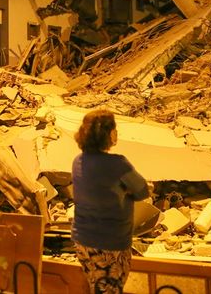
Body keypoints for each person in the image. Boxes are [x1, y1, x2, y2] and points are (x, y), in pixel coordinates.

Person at [71, 109, 149, 293]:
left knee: (96, 288)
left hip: (83, 240)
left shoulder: (78, 161)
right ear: (108, 133)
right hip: (110, 243)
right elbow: (142, 191)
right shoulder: (118, 164)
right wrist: (127, 191)